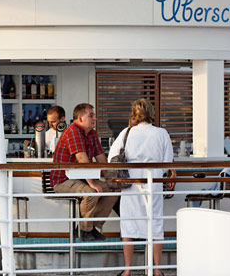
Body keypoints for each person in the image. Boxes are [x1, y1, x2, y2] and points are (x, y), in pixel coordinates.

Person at [108, 98, 174, 276]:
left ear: (134, 114)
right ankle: (157, 270)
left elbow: (112, 157)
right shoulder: (161, 133)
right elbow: (167, 162)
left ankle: (128, 269)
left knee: (128, 224)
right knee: (155, 223)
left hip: (131, 182)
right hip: (154, 181)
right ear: (152, 113)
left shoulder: (127, 132)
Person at [50, 103, 118, 242]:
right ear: (80, 118)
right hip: (63, 180)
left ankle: (89, 226)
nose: (95, 118)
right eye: (91, 115)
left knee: (114, 190)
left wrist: (112, 179)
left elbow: (101, 159)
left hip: (81, 179)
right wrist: (92, 183)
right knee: (90, 192)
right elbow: (82, 160)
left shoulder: (92, 133)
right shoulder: (72, 131)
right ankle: (85, 230)